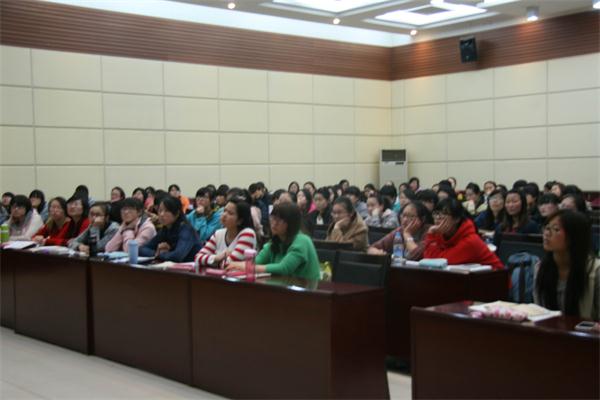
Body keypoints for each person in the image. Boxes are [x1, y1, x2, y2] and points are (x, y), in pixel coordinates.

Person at [225, 203, 320, 280]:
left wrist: (247, 267)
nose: (274, 223)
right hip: (283, 288)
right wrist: (237, 265)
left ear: (291, 223)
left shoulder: (302, 241)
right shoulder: (275, 241)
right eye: (273, 218)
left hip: (307, 291)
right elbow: (256, 262)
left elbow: (284, 268)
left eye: (279, 220)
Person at [534, 210, 599, 320]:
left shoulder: (596, 270)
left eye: (556, 229)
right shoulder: (541, 268)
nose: (547, 234)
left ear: (574, 236)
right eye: (547, 228)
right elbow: (538, 311)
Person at [423, 198, 504, 269]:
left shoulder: (471, 241)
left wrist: (431, 235)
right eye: (436, 213)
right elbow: (428, 261)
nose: (437, 218)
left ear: (456, 219)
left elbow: (440, 262)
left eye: (443, 214)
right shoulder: (439, 234)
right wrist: (431, 235)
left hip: (493, 278)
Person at [195, 198, 257, 268]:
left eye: (230, 213)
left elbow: (229, 265)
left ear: (240, 220)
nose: (224, 215)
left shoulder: (248, 234)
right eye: (224, 211)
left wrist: (210, 260)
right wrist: (218, 257)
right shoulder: (218, 233)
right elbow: (197, 258)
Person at [140, 196, 201, 262]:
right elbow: (141, 250)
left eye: (166, 211)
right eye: (160, 210)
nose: (161, 214)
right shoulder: (165, 229)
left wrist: (162, 254)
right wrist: (157, 253)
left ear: (177, 213)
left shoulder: (186, 230)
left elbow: (177, 256)